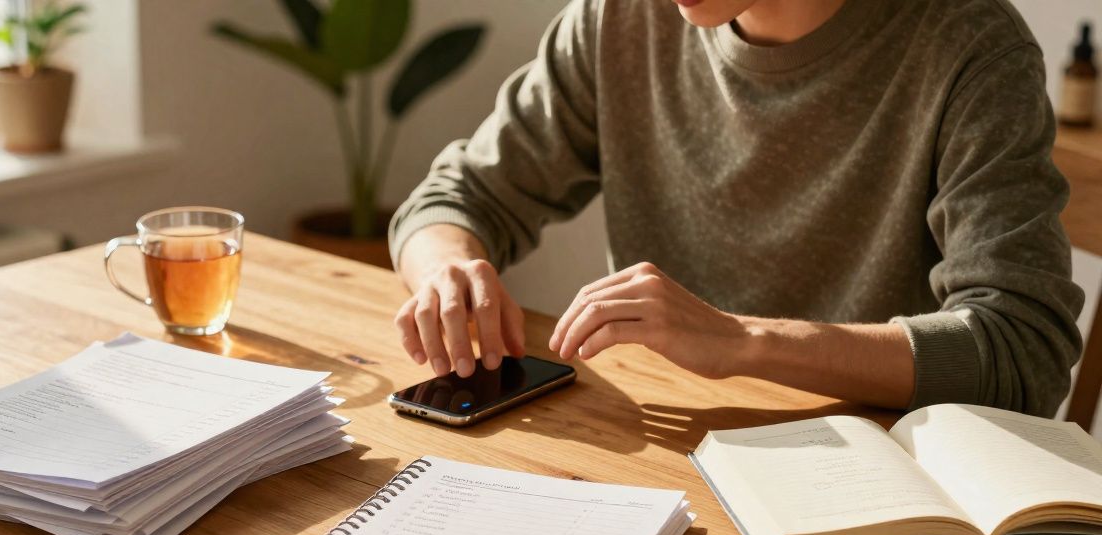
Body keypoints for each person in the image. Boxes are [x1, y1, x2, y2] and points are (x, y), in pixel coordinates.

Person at [388, 0, 1084, 417]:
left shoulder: (969, 47)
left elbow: (1025, 350)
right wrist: (448, 269)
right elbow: (455, 198)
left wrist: (744, 342)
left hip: (876, 489)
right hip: (669, 451)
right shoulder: (618, 20)